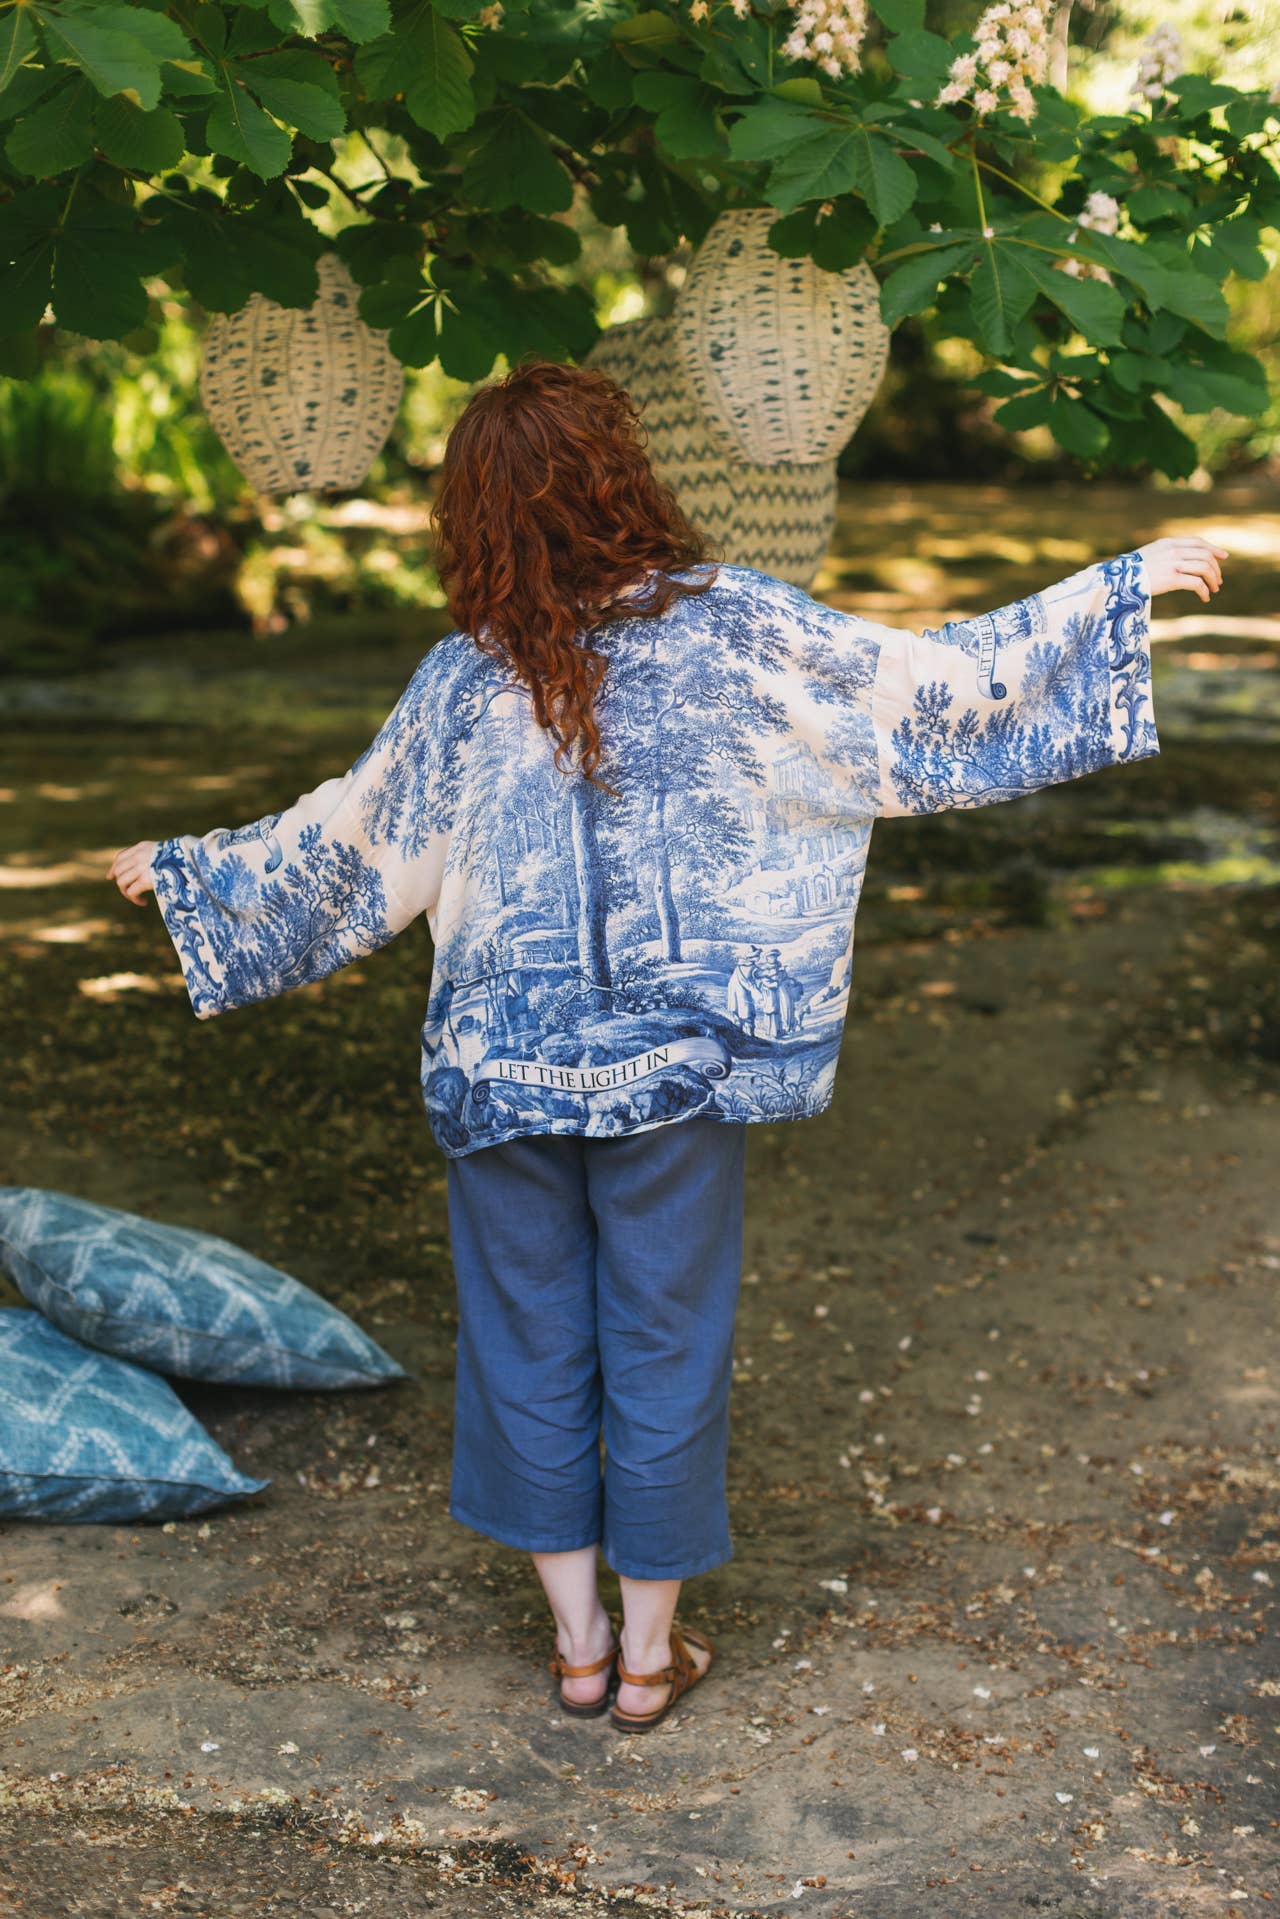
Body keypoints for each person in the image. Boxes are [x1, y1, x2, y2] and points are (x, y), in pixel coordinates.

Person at [109, 359, 1227, 1735]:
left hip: (498, 1073)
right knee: (663, 1336)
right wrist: (1116, 591)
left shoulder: (465, 679)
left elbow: (348, 848)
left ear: (478, 514)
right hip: (677, 1071)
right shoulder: (735, 630)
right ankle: (650, 1657)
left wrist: (184, 873)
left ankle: (575, 1648)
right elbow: (924, 696)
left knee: (523, 1342)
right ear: (621, 477)